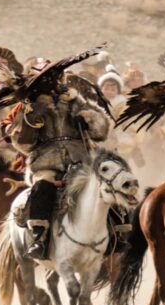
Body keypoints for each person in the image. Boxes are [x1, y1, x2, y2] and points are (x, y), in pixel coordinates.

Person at [6, 66, 110, 259]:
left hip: (81, 158)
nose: (54, 84)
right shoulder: (32, 106)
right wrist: (30, 122)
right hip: (46, 161)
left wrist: (88, 121)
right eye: (49, 81)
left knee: (106, 184)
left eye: (57, 79)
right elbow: (22, 143)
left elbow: (102, 131)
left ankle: (118, 231)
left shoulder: (75, 101)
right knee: (43, 187)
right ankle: (39, 236)